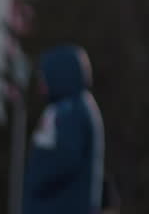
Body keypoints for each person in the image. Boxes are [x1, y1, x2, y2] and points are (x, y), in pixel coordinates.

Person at [24, 45, 106, 214]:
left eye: (44, 76)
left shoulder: (71, 110)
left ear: (59, 74)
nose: (41, 84)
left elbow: (63, 158)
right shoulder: (70, 107)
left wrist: (37, 178)